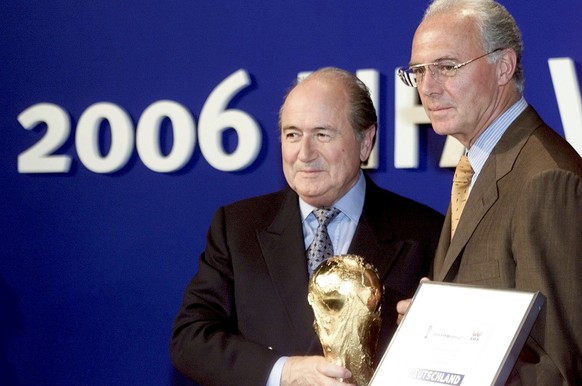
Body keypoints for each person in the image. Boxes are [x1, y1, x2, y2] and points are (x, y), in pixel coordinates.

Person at [170, 67, 444, 386]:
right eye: (292, 134)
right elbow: (190, 339)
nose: (305, 153)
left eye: (322, 134)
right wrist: (285, 372)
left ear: (366, 141)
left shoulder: (427, 233)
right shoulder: (237, 228)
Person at [395, 0, 582, 384]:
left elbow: (558, 371)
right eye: (418, 71)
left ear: (503, 67)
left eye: (446, 67)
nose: (427, 88)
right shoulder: (477, 167)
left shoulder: (546, 180)